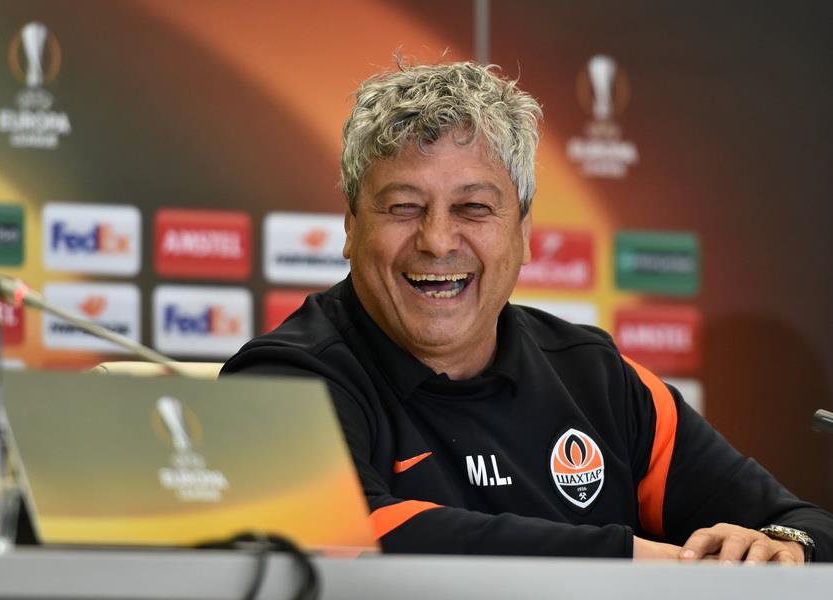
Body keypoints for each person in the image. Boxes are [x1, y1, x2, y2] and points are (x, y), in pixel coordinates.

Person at [222, 61, 833, 562]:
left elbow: (803, 525)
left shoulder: (598, 378)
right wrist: (633, 558)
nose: (437, 240)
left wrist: (784, 549)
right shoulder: (279, 380)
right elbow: (334, 534)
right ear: (351, 227)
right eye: (404, 207)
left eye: (474, 208)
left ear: (523, 232)